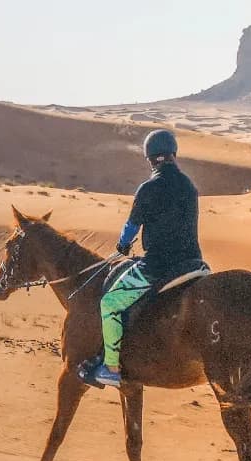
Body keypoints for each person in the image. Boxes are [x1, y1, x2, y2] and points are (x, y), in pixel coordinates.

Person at [84, 129, 206, 388]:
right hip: (194, 263)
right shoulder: (189, 186)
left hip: (158, 266)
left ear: (150, 158)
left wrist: (123, 245)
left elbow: (131, 227)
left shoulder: (148, 188)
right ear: (173, 154)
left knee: (110, 304)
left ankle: (111, 368)